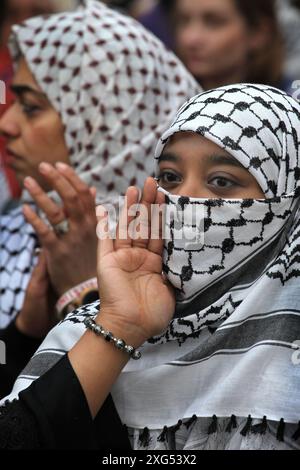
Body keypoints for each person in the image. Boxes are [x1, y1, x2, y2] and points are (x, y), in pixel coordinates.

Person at [1, 83, 300, 450]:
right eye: (171, 177)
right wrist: (122, 325)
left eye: (221, 182)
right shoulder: (91, 331)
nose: (183, 198)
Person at [0, 0, 199, 396]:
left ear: (104, 118)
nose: (6, 124)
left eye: (32, 107)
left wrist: (86, 293)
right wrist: (26, 330)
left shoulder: (189, 249)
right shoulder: (15, 224)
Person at [172, 0, 291, 93]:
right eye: (183, 21)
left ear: (258, 33)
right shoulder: (165, 102)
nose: (190, 39)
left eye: (213, 22)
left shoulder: (290, 108)